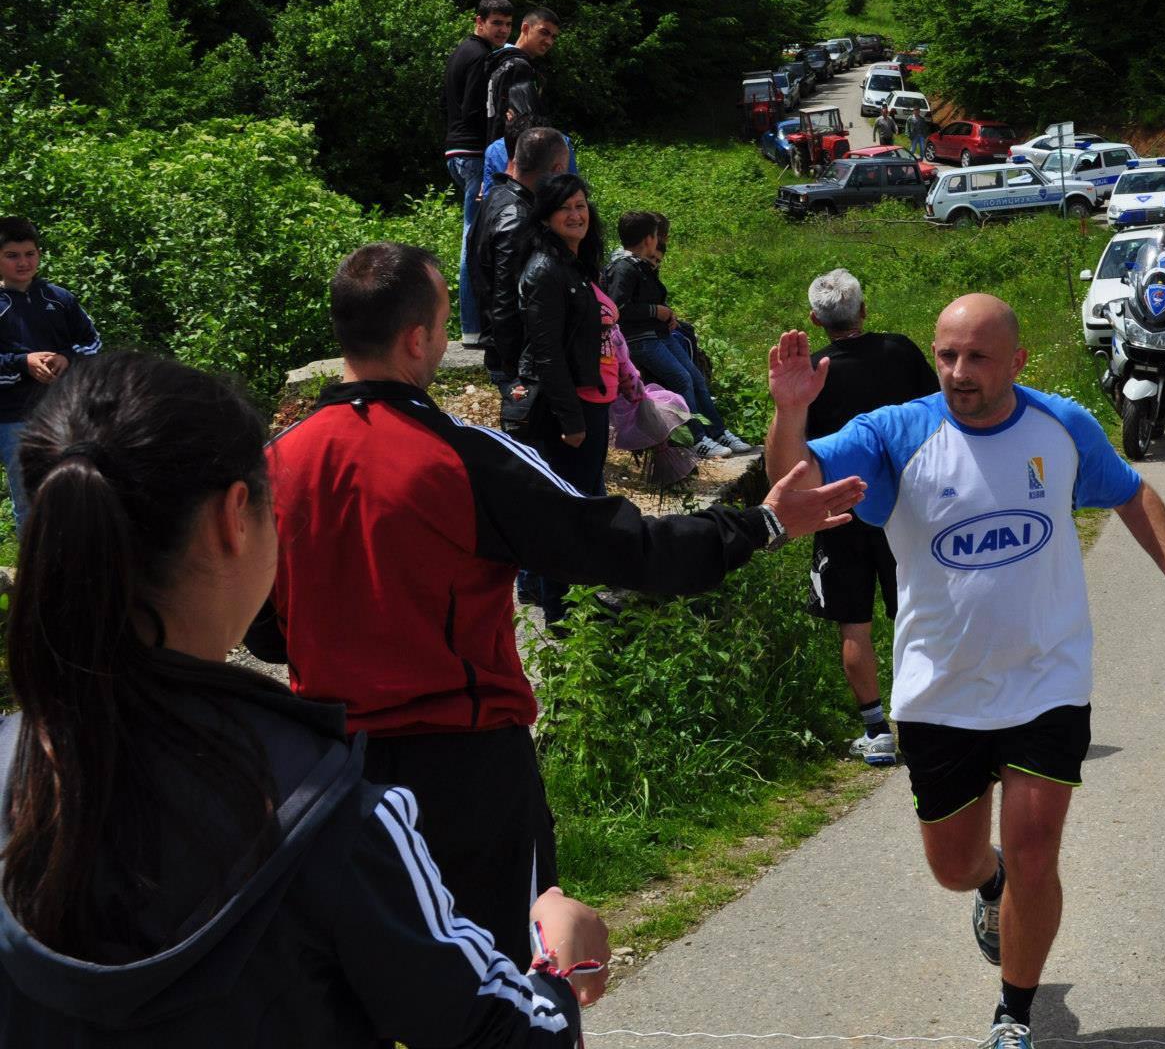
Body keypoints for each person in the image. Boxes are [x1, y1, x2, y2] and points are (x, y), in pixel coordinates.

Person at [248, 242, 863, 969]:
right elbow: (622, 546)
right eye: (446, 319)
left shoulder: (273, 465)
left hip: (331, 776)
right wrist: (759, 524)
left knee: (359, 998)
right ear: (418, 339)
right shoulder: (462, 457)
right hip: (464, 773)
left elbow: (265, 632)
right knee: (503, 990)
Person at [0, 350, 600, 1044]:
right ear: (234, 517)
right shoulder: (327, 811)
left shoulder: (16, 767)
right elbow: (506, 1035)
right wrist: (559, 963)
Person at [764, 294, 1165, 1049]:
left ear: (1016, 362)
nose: (957, 372)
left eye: (976, 357)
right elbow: (795, 486)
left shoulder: (1061, 425)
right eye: (946, 355)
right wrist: (789, 415)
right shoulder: (895, 432)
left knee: (1039, 846)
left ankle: (1014, 1013)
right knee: (953, 864)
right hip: (940, 687)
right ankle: (989, 883)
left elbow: (1133, 492)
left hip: (1048, 678)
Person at [801, 269, 941, 768]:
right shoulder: (899, 351)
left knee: (853, 624)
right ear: (863, 310)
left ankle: (877, 731)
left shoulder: (814, 369)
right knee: (916, 613)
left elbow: (801, 448)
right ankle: (926, 721)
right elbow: (936, 412)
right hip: (907, 504)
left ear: (816, 319)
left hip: (840, 509)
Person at [515, 175, 613, 625]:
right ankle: (561, 611)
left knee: (577, 501)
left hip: (588, 395)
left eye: (581, 205)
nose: (577, 214)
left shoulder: (572, 263)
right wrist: (571, 419)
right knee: (567, 509)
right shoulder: (544, 270)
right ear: (547, 216)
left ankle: (554, 591)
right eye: (565, 208)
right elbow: (546, 352)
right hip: (565, 405)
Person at [602, 210, 754, 459]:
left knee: (695, 377)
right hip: (641, 340)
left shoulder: (640, 265)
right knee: (681, 379)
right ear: (648, 239)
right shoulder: (623, 267)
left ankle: (718, 431)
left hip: (657, 334)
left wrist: (666, 315)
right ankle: (696, 438)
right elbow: (618, 307)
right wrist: (656, 311)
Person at [0, 216, 100, 532]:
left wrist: (66, 359)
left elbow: (92, 343)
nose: (23, 262)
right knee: (29, 499)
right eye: (12, 255)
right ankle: (35, 574)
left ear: (39, 254)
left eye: (30, 253)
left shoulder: (59, 298)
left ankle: (72, 569)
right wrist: (22, 362)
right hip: (11, 417)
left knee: (74, 490)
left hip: (62, 412)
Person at [470, 127, 570, 405]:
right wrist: (517, 369)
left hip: (502, 349)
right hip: (516, 358)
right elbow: (506, 300)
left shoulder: (496, 196)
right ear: (558, 168)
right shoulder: (519, 218)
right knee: (533, 437)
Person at [442, 0, 515, 346]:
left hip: (457, 150)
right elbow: (475, 108)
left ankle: (474, 326)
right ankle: (472, 329)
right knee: (474, 239)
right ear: (479, 21)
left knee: (475, 234)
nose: (502, 30)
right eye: (496, 23)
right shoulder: (479, 57)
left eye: (507, 24)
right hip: (472, 153)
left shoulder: (462, 52)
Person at [484, 7, 561, 147]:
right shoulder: (519, 67)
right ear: (525, 28)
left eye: (553, 37)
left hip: (493, 149)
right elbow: (523, 123)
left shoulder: (499, 59)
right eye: (544, 32)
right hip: (512, 152)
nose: (549, 42)